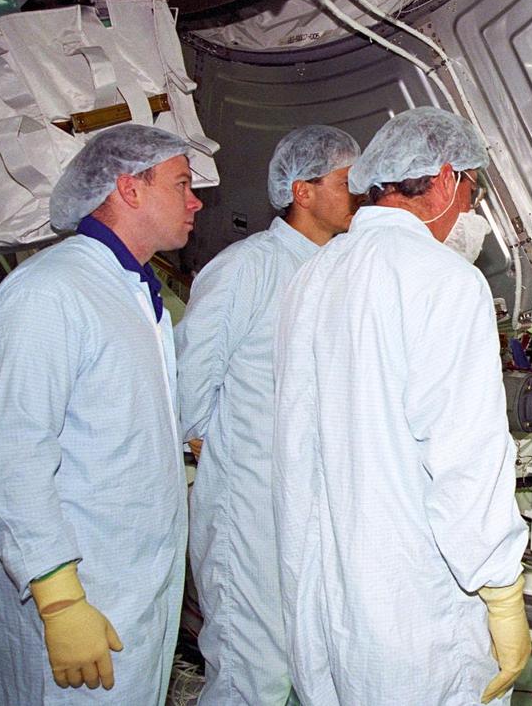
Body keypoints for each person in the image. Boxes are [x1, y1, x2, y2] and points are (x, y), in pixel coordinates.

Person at [272, 107, 529, 705]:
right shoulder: (446, 281)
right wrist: (502, 589)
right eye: (470, 189)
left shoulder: (312, 276)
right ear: (443, 178)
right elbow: (465, 456)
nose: (468, 209)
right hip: (414, 604)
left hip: (323, 590)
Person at [0, 124, 203, 704]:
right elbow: (12, 461)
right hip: (81, 595)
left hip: (134, 586)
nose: (196, 201)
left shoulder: (134, 290)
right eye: (182, 184)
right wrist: (60, 600)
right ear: (130, 188)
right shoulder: (47, 294)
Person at [177, 125, 360, 706]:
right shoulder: (246, 268)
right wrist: (220, 447)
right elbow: (188, 379)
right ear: (302, 191)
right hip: (250, 510)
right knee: (250, 670)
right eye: (346, 183)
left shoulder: (342, 269)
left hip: (313, 506)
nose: (360, 195)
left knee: (309, 661)